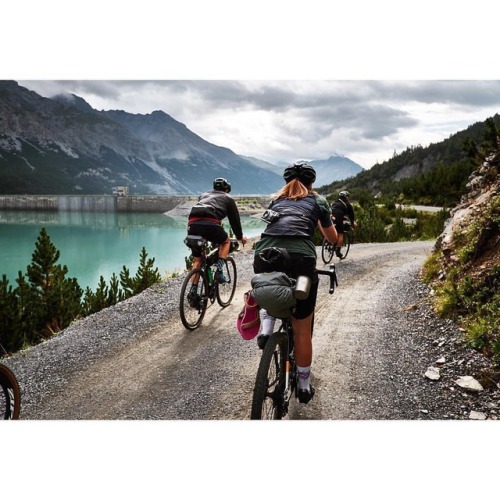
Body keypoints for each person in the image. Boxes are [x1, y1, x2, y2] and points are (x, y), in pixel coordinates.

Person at [253, 161, 338, 404]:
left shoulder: (276, 201)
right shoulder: (317, 201)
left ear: (286, 181)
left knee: (267, 281)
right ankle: (303, 385)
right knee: (302, 330)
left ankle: (266, 327)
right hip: (301, 260)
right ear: (312, 183)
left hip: (265, 255)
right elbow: (331, 237)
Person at [187, 177, 248, 287]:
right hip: (210, 226)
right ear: (227, 189)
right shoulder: (228, 198)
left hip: (192, 225)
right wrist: (240, 237)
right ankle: (219, 272)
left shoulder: (203, 195)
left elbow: (201, 215)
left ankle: (193, 291)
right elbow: (235, 221)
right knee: (225, 242)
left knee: (197, 261)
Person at [330, 190, 357, 258]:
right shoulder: (347, 204)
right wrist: (353, 224)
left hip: (330, 216)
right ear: (346, 197)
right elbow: (351, 216)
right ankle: (338, 251)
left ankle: (328, 242)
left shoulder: (334, 202)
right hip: (339, 217)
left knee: (333, 229)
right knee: (340, 234)